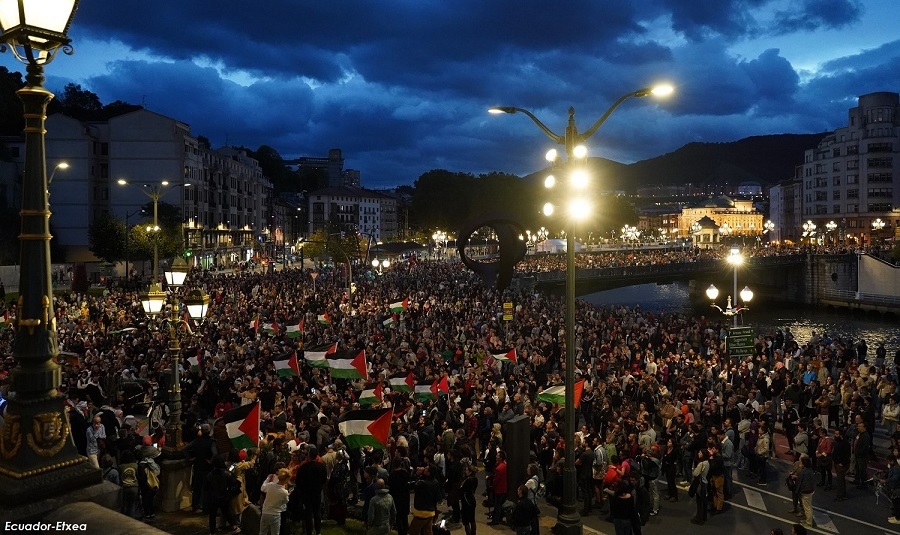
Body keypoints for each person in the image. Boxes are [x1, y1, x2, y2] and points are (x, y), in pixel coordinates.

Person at [294, 444, 327, 535]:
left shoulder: (303, 467)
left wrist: (301, 490)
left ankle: (309, 532)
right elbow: (324, 479)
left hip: (306, 494)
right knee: (317, 512)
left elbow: (298, 481)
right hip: (317, 492)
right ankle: (318, 532)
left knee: (308, 513)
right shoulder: (321, 467)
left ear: (308, 455)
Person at [183, 423, 217, 513]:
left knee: (197, 487)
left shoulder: (196, 441)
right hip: (207, 468)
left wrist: (190, 458)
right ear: (209, 432)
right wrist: (210, 461)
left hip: (197, 466)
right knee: (206, 488)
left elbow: (185, 449)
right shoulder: (211, 442)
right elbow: (215, 454)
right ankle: (205, 508)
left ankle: (195, 506)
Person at [202, 456, 240, 534]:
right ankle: (234, 526)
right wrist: (230, 493)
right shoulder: (226, 474)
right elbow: (235, 483)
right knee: (227, 512)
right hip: (224, 497)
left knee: (212, 516)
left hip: (213, 498)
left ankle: (212, 532)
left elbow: (205, 488)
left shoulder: (209, 475)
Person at [410, 463, 442, 535]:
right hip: (430, 512)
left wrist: (417, 474)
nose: (424, 468)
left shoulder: (423, 483)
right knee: (428, 532)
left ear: (429, 473)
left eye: (426, 468)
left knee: (413, 531)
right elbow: (438, 497)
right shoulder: (435, 482)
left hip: (421, 513)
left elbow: (411, 485)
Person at [260, 469, 291, 535]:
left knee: (262, 532)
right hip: (275, 514)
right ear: (286, 479)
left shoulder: (270, 485)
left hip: (265, 512)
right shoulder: (284, 492)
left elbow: (262, 488)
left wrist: (267, 479)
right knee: (275, 533)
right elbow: (286, 501)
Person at [389, 457, 412, 535]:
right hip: (405, 498)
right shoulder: (405, 473)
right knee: (404, 517)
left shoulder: (392, 475)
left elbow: (391, 488)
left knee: (398, 518)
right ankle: (406, 531)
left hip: (396, 499)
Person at [796, 455, 817, 528]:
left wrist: (797, 491)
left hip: (806, 492)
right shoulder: (810, 470)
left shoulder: (803, 472)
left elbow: (800, 483)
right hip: (810, 490)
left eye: (801, 462)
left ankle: (809, 523)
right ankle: (808, 520)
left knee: (807, 507)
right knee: (808, 506)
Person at [118, 450, 139, 518]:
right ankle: (132, 519)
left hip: (125, 487)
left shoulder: (120, 467)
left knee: (125, 505)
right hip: (134, 487)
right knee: (132, 504)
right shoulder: (135, 465)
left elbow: (120, 477)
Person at [831, 427, 850, 501]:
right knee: (840, 480)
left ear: (841, 435)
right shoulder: (837, 442)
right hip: (837, 463)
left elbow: (847, 454)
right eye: (835, 434)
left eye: (837, 434)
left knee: (840, 481)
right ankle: (843, 494)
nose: (835, 435)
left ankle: (840, 496)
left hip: (841, 464)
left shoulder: (845, 443)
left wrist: (842, 463)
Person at [459, 462, 479, 535]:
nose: (465, 471)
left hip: (466, 501)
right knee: (472, 519)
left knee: (466, 521)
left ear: (470, 471)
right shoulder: (475, 479)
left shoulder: (467, 480)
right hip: (472, 500)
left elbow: (461, 490)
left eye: (467, 470)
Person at [489, 450, 508, 525]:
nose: (496, 456)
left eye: (497, 455)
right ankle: (500, 518)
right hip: (504, 488)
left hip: (499, 489)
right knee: (501, 505)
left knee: (497, 506)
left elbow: (496, 480)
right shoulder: (504, 465)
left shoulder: (499, 468)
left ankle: (496, 520)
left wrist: (492, 487)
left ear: (500, 458)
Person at [691, 449, 709, 525]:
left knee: (699, 502)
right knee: (704, 502)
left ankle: (699, 518)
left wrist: (693, 470)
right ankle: (704, 516)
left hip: (700, 484)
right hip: (705, 483)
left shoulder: (701, 464)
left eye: (700, 452)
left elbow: (695, 474)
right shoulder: (707, 462)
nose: (698, 453)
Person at [852, 421, 871, 489]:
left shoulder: (866, 436)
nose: (858, 428)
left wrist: (859, 452)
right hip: (857, 455)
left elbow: (865, 447)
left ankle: (864, 484)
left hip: (862, 456)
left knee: (862, 470)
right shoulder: (859, 434)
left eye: (860, 426)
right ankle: (857, 480)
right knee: (857, 468)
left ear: (864, 427)